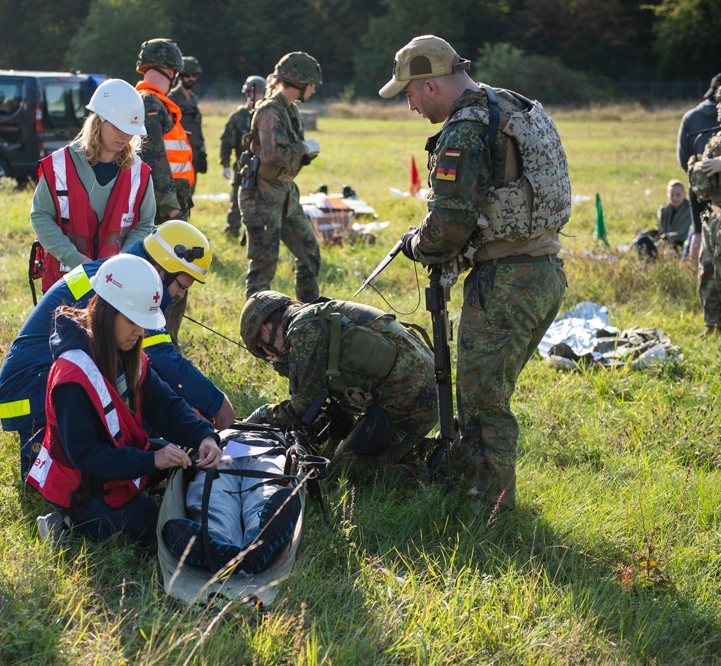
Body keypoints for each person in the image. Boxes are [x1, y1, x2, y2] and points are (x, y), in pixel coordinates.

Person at [379, 35, 570, 509]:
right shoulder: (505, 104)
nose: (410, 108)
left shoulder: (466, 128)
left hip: (506, 282)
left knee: (484, 402)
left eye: (408, 95)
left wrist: (416, 244)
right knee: (484, 391)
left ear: (429, 85)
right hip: (543, 271)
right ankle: (468, 482)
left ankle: (491, 510)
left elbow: (448, 227)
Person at [0, 220, 236, 479]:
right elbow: (161, 359)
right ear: (161, 269)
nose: (179, 296)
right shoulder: (128, 286)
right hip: (32, 389)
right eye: (181, 286)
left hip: (43, 378)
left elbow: (157, 390)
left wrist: (200, 431)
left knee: (144, 409)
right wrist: (217, 404)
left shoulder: (123, 272)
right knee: (116, 446)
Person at [27, 254, 222, 545]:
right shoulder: (71, 375)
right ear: (106, 311)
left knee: (187, 465)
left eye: (144, 322)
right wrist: (151, 460)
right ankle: (66, 524)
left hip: (116, 462)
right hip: (86, 487)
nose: (140, 331)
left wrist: (203, 435)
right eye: (133, 321)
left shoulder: (126, 352)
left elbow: (164, 403)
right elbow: (87, 455)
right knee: (162, 531)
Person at [238, 291, 438, 471]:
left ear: (265, 329)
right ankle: (434, 444)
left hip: (412, 395)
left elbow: (302, 408)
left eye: (264, 350)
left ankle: (438, 470)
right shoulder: (314, 315)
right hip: (423, 381)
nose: (273, 356)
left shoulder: (303, 330)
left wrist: (264, 414)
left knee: (346, 473)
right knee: (357, 448)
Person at [31, 78, 154, 292]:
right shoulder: (59, 166)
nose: (125, 135)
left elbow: (145, 224)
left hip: (114, 282)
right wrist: (75, 260)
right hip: (67, 278)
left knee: (104, 326)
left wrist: (122, 262)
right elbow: (40, 216)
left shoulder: (139, 173)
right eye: (118, 127)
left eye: (130, 129)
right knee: (69, 324)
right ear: (98, 121)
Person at [239, 53, 323, 302]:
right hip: (261, 196)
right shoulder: (270, 111)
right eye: (312, 85)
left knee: (309, 253)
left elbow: (289, 153)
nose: (314, 90)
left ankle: (308, 314)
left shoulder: (290, 110)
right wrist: (304, 148)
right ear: (298, 82)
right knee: (263, 268)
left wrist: (305, 153)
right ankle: (254, 327)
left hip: (285, 193)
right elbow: (273, 154)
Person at [162, 428, 301, 575]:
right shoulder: (212, 430)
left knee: (266, 490)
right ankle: (217, 543)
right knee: (214, 492)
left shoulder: (275, 424)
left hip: (267, 450)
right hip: (221, 452)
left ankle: (259, 537)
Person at [135, 38, 195, 224]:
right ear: (171, 72)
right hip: (163, 207)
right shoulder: (150, 103)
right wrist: (171, 208)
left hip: (167, 199)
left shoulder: (149, 101)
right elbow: (153, 155)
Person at [677, 73, 721, 264]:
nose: (717, 107)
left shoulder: (691, 116)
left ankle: (694, 271)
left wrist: (699, 174)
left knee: (697, 233)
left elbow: (683, 158)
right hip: (713, 200)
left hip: (700, 189)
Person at [220, 75, 266, 240]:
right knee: (236, 202)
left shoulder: (267, 115)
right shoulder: (237, 116)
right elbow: (226, 142)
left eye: (261, 93)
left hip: (263, 168)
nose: (257, 96)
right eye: (254, 93)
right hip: (241, 166)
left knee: (258, 205)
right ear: (247, 93)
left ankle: (252, 238)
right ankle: (231, 234)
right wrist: (225, 164)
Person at [694, 89, 721, 335]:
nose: (719, 107)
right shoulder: (715, 138)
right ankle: (712, 324)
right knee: (708, 270)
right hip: (712, 214)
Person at [169, 56, 208, 181]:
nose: (191, 78)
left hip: (194, 151)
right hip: (178, 153)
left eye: (194, 75)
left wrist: (202, 148)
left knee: (191, 191)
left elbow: (197, 125)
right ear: (180, 76)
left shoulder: (193, 99)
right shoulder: (172, 98)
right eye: (187, 75)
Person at [634, 180, 695, 259]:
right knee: (642, 240)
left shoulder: (691, 210)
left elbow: (688, 234)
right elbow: (660, 230)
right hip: (663, 244)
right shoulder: (664, 209)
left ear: (684, 194)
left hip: (682, 245)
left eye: (678, 195)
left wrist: (668, 238)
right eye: (672, 195)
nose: (674, 198)